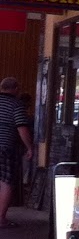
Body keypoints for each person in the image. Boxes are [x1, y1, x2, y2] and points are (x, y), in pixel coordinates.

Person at [0, 76, 34, 228]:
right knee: (7, 182)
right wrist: (30, 147)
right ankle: (0, 218)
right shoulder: (16, 105)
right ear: (15, 89)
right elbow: (22, 129)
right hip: (6, 148)